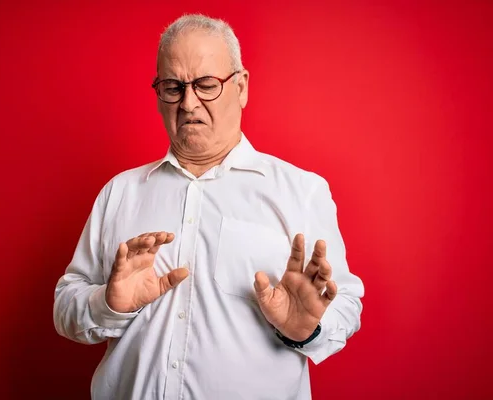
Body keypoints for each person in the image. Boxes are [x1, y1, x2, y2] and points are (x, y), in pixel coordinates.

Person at [53, 13, 364, 400]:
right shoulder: (120, 192)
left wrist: (306, 329)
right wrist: (108, 304)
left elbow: (346, 305)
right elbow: (66, 305)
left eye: (205, 85)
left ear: (242, 86)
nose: (188, 103)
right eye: (172, 86)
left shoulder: (301, 191)